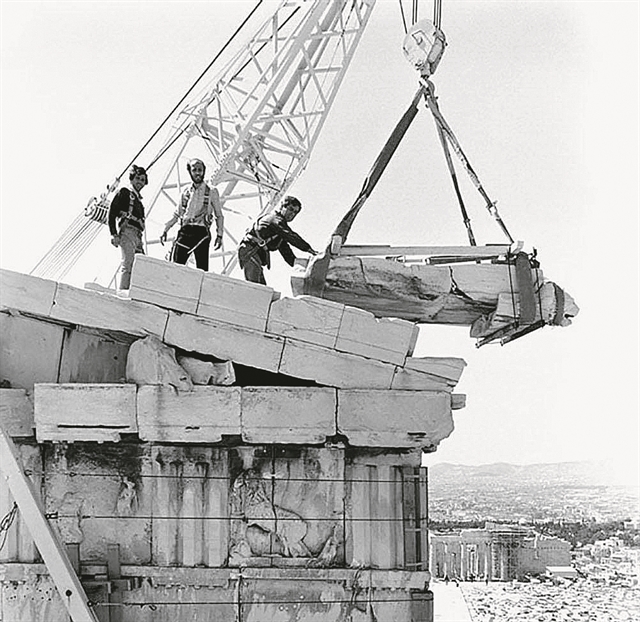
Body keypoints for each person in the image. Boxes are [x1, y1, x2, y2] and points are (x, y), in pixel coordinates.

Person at [159, 158, 223, 271]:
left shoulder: (212, 191)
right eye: (195, 170)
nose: (198, 172)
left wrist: (219, 234)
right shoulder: (186, 191)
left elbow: (219, 215)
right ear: (190, 171)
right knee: (177, 265)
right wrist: (166, 229)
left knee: (202, 269)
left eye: (200, 170)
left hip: (201, 232)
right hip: (186, 231)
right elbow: (177, 213)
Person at [237, 195, 317, 285]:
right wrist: (309, 249)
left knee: (262, 289)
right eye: (291, 209)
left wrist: (304, 267)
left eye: (295, 212)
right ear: (282, 207)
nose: (292, 214)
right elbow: (290, 236)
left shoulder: (279, 232)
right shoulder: (275, 220)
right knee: (255, 287)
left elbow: (287, 253)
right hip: (250, 251)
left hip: (254, 253)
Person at [108, 165, 148, 290]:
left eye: (142, 179)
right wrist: (114, 233)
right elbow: (112, 213)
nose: (140, 182)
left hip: (137, 235)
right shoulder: (125, 193)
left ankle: (135, 290)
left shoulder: (139, 201)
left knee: (141, 265)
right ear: (131, 179)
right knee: (128, 263)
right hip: (128, 231)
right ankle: (124, 290)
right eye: (137, 178)